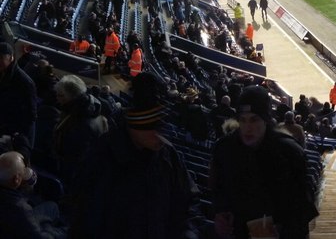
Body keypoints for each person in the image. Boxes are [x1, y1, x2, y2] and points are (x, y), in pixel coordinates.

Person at [70, 72, 200, 239]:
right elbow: (84, 222)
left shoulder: (168, 155)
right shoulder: (101, 158)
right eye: (158, 127)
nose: (165, 136)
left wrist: (188, 233)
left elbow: (189, 203)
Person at [210, 86, 319, 239]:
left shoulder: (289, 152)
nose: (247, 127)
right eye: (243, 120)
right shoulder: (223, 149)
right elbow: (217, 190)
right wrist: (220, 213)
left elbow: (302, 205)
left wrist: (282, 229)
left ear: (266, 120)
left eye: (254, 120)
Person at [52, 75, 108, 183]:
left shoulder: (81, 123)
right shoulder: (78, 111)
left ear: (73, 97)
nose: (57, 98)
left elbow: (75, 160)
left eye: (61, 95)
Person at [0, 150, 67, 239]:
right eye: (23, 170)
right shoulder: (21, 207)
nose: (26, 171)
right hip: (22, 227)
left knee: (52, 206)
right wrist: (48, 226)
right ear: (16, 179)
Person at [0, 42, 36, 143]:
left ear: (11, 58)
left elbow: (30, 116)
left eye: (1, 58)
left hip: (12, 134)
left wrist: (22, 143)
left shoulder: (25, 82)